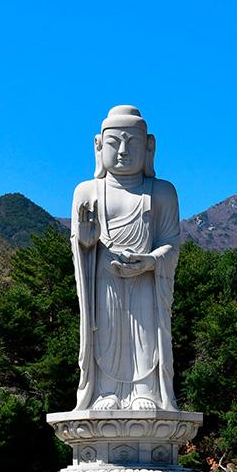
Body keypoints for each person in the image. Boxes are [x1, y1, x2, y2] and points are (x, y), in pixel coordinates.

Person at [70, 105, 181, 412]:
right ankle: (105, 391)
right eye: (114, 143)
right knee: (105, 334)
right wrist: (85, 241)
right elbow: (80, 246)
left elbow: (171, 243)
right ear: (98, 146)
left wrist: (152, 262)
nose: (122, 151)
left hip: (146, 281)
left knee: (145, 335)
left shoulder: (162, 192)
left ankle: (146, 390)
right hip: (104, 281)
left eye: (132, 143)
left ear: (149, 147)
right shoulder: (87, 191)